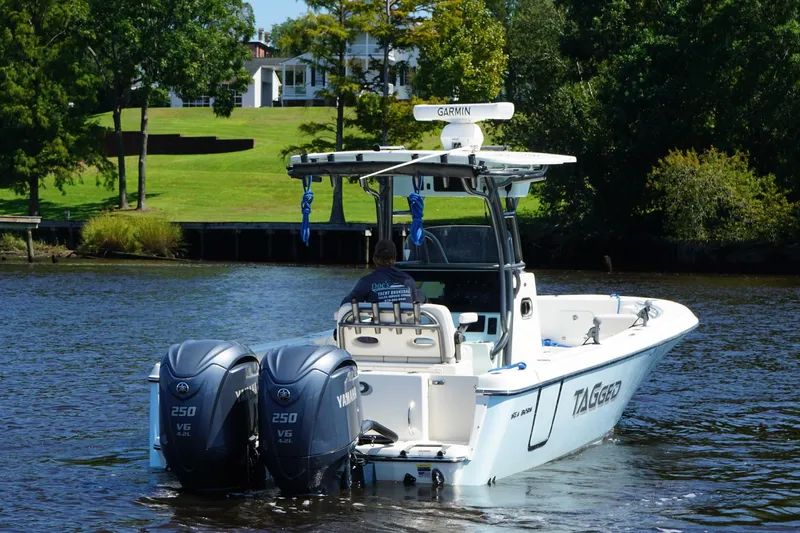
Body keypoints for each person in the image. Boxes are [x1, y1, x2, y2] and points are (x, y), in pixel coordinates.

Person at [341, 239, 426, 306]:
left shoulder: (366, 282)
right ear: (395, 259)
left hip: (378, 327)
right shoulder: (407, 280)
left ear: (374, 259)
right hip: (405, 327)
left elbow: (346, 304)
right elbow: (424, 301)